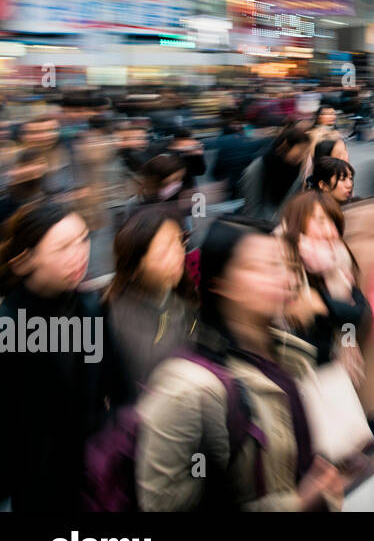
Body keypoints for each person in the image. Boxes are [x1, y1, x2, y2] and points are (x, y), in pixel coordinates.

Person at [135, 218, 341, 511]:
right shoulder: (190, 390)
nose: (286, 278)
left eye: (284, 264)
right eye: (265, 267)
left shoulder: (287, 353)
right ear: (222, 284)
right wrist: (294, 504)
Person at [0, 202, 132, 511]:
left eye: (84, 240)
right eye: (62, 247)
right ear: (24, 259)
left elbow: (118, 387)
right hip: (35, 486)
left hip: (96, 472)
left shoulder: (89, 308)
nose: (80, 254)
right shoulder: (8, 325)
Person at [104, 208, 197, 390]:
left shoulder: (179, 295)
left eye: (180, 240)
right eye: (164, 250)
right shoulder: (122, 319)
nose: (179, 253)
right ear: (136, 266)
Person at [279, 191, 370, 368]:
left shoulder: (338, 261)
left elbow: (356, 314)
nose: (330, 231)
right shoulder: (284, 266)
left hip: (331, 371)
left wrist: (348, 342)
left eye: (333, 222)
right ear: (297, 222)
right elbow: (305, 344)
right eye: (320, 221)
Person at [239, 124, 311, 224]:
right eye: (300, 152)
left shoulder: (297, 168)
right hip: (263, 226)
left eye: (305, 152)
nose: (302, 156)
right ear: (285, 146)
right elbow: (252, 208)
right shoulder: (259, 168)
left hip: (286, 225)